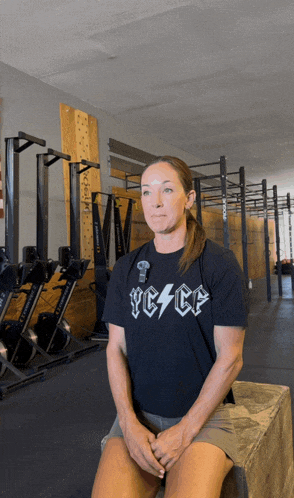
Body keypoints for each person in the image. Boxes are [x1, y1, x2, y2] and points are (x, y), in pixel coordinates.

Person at [91, 156, 248, 498]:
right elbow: (115, 348)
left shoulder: (218, 264)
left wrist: (186, 429)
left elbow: (231, 357)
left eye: (166, 190)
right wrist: (129, 424)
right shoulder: (128, 268)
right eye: (147, 192)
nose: (155, 201)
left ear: (189, 199)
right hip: (139, 416)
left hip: (202, 419)